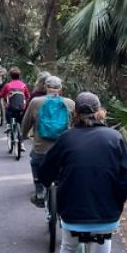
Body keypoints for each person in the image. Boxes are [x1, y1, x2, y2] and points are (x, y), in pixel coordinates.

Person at [38, 91, 127, 253]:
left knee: (69, 247)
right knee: (105, 237)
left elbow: (45, 173)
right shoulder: (115, 137)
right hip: (107, 214)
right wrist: (117, 202)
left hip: (72, 214)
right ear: (100, 111)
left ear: (75, 115)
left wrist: (52, 182)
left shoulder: (66, 139)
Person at [21, 75, 75, 206]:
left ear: (45, 87)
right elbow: (75, 125)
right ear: (60, 89)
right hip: (63, 149)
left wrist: (23, 136)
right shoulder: (70, 103)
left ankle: (39, 192)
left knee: (35, 162)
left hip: (41, 149)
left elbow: (26, 123)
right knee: (65, 170)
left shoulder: (36, 102)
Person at [0, 67, 31, 152]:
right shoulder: (23, 85)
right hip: (21, 109)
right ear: (19, 76)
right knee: (20, 125)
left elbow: (1, 95)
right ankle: (22, 144)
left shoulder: (8, 85)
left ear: (11, 76)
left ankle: (8, 125)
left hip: (11, 108)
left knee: (7, 109)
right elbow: (28, 96)